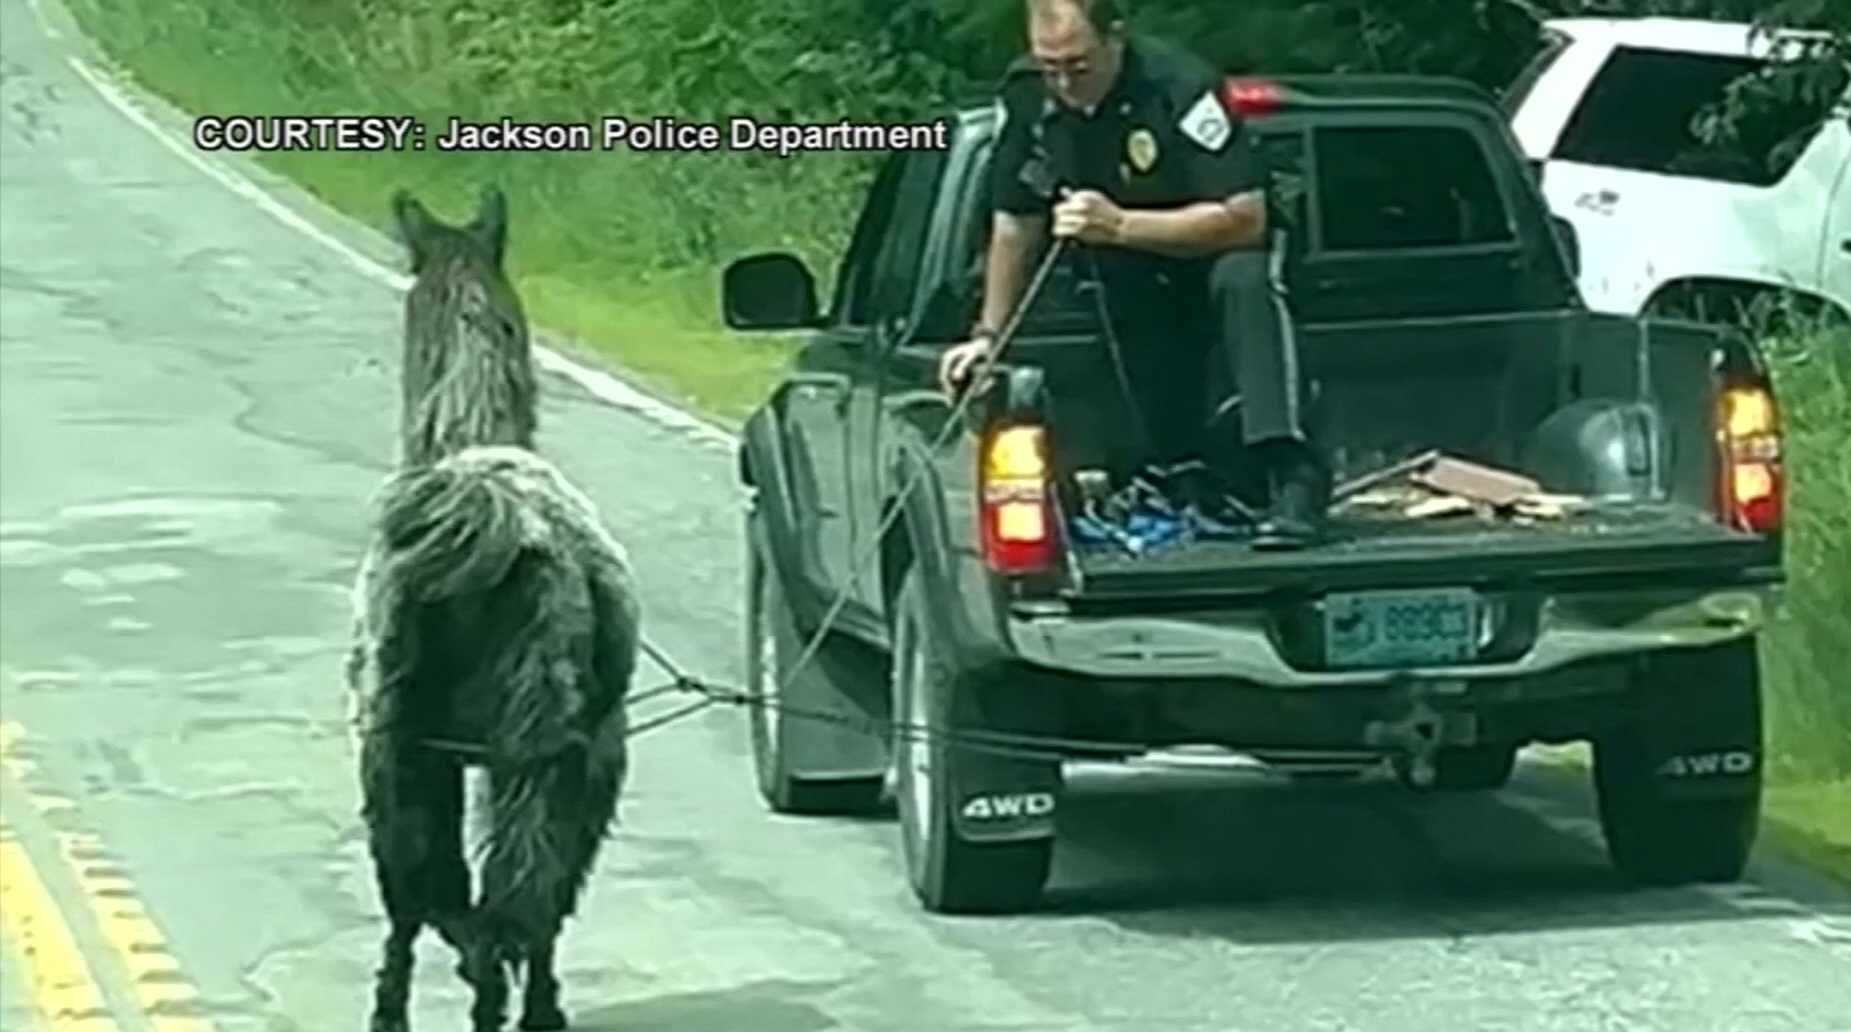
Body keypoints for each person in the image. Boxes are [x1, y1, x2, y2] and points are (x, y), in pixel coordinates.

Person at [938, 0, 1329, 548]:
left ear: (1115, 38)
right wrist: (987, 336)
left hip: (1219, 247)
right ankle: (1176, 476)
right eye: (1050, 67)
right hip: (1128, 270)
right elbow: (1014, 224)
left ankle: (1292, 479)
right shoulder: (1029, 96)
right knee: (1129, 324)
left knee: (1247, 280)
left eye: (1078, 66)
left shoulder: (1180, 87)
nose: (1065, 84)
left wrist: (1121, 224)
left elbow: (1246, 218)